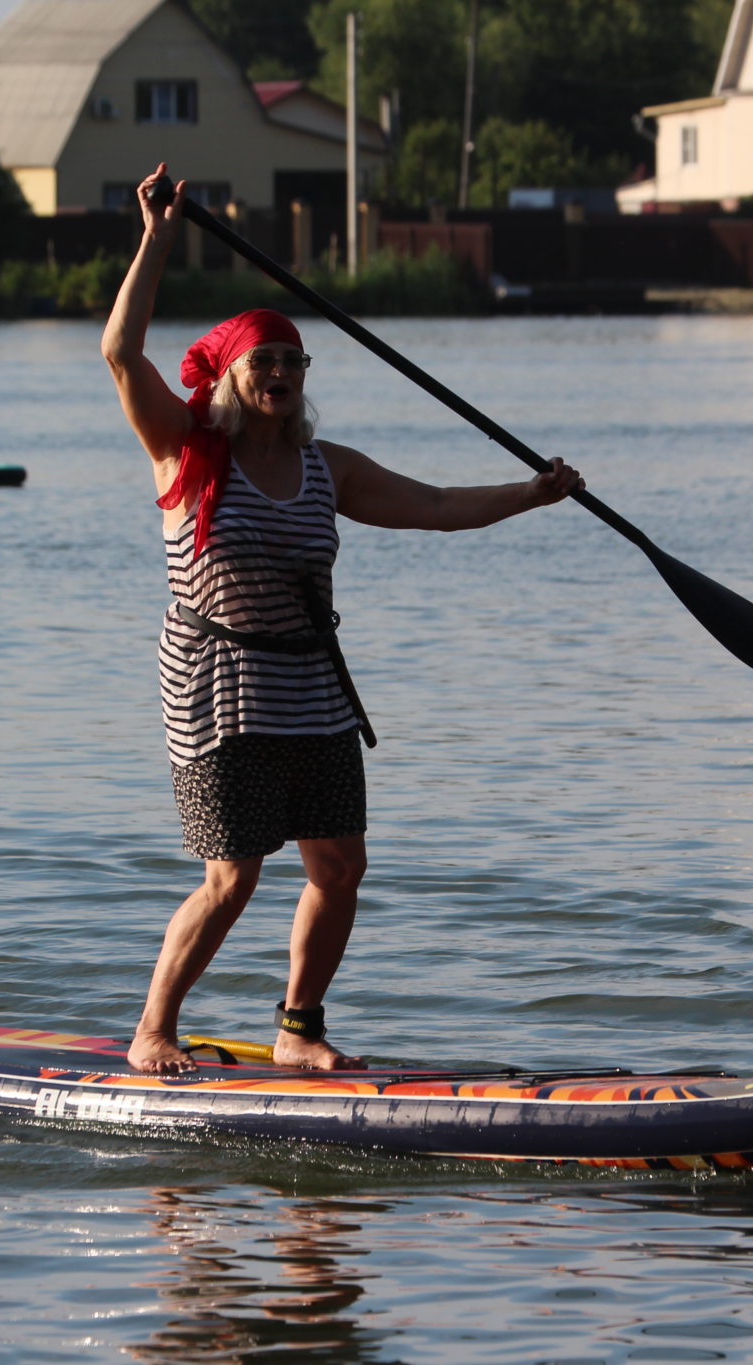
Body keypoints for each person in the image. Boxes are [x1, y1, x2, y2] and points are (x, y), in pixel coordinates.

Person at [101, 163, 584, 1075]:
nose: (280, 372)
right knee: (234, 876)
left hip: (311, 681)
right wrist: (159, 238)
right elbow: (122, 355)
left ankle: (298, 1026)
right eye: (264, 361)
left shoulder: (331, 466)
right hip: (216, 682)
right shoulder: (186, 452)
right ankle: (153, 1028)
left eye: (293, 360)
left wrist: (534, 493)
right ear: (235, 377)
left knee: (339, 866)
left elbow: (438, 504)